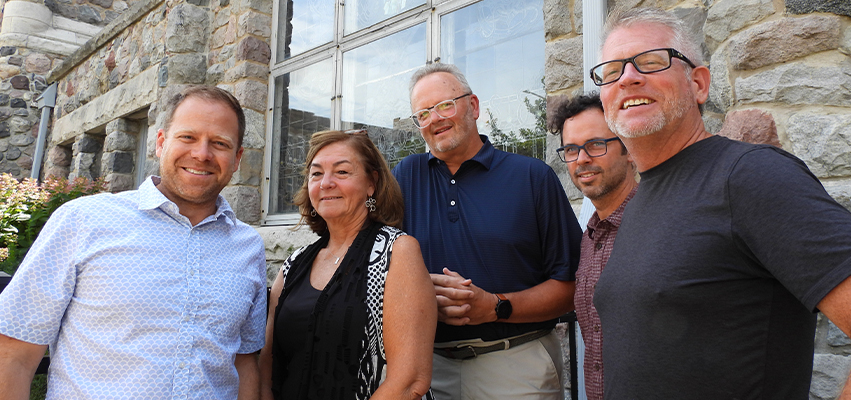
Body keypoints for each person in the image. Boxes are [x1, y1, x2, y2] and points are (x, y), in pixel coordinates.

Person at [591, 7, 851, 399]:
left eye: (650, 62)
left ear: (698, 84)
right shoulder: (646, 194)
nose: (628, 78)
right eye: (611, 71)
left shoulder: (748, 176)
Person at [0, 85, 268, 399]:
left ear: (237, 158)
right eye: (188, 137)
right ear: (160, 142)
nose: (202, 154)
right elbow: (14, 354)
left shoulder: (248, 246)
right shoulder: (83, 221)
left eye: (219, 143)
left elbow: (244, 360)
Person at [392, 63, 583, 400]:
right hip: (430, 370)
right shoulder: (406, 177)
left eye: (445, 105)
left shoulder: (532, 178)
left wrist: (495, 306)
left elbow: (570, 287)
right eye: (423, 113)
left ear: (474, 106)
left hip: (515, 365)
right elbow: (381, 268)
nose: (434, 119)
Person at [258, 130, 437, 400]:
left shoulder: (397, 252)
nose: (326, 183)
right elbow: (265, 367)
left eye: (342, 172)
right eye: (316, 174)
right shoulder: (293, 265)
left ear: (371, 183)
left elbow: (409, 380)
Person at [549, 92, 637, 400]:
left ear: (629, 149)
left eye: (596, 145)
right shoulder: (588, 239)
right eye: (571, 149)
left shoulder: (659, 224)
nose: (582, 159)